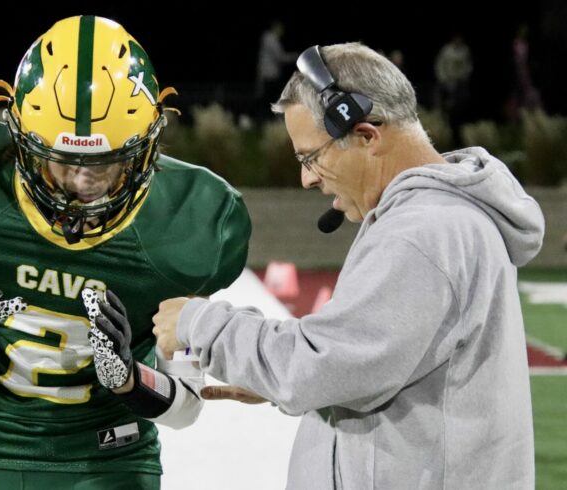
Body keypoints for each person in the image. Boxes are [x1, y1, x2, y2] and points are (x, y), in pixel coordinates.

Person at [153, 42, 544, 489]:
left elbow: (320, 365)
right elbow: (359, 367)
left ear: (366, 135)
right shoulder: (438, 221)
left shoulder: (423, 233)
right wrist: (287, 378)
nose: (307, 178)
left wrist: (199, 323)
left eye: (310, 157)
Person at [0, 15, 251, 490]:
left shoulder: (187, 227)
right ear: (21, 140)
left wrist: (128, 379)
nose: (83, 182)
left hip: (112, 456)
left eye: (106, 162)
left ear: (148, 142)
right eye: (62, 159)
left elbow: (187, 407)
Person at [255, 20, 296, 120]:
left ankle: (264, 118)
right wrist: (295, 56)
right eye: (280, 29)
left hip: (268, 75)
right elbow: (280, 57)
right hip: (270, 76)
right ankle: (264, 118)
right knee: (269, 99)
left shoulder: (269, 38)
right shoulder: (271, 39)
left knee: (268, 98)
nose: (282, 31)